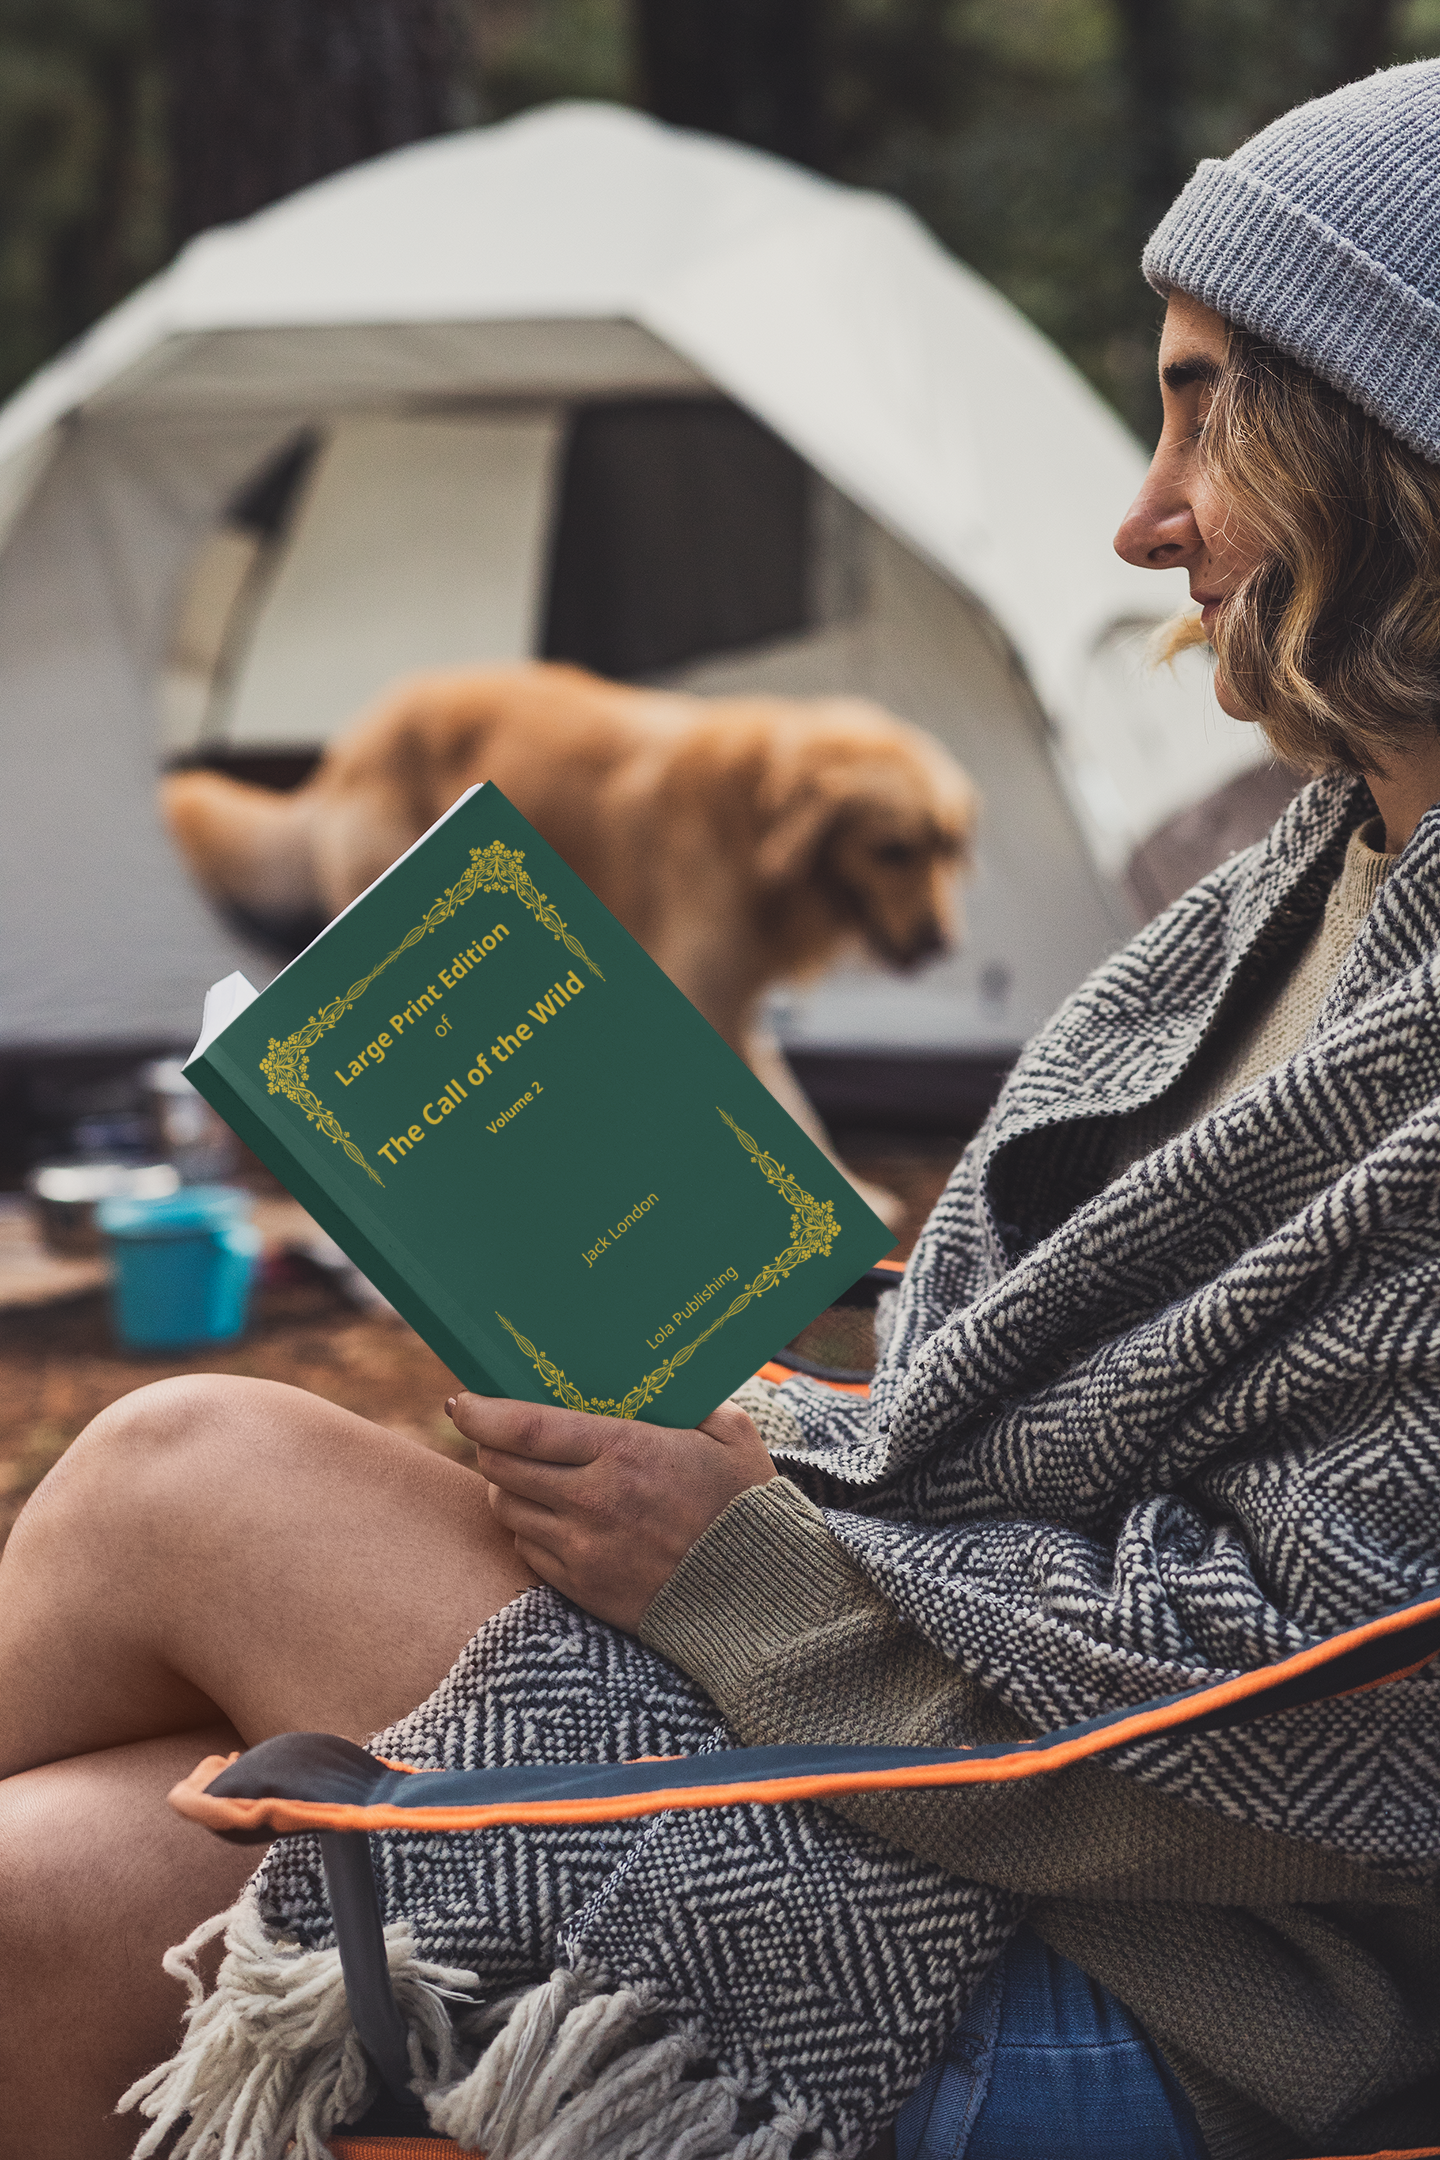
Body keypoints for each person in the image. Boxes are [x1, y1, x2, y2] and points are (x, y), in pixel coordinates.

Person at [4, 57, 1440, 2160]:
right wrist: (782, 1437)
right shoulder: (1291, 896)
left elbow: (1354, 1728)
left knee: (188, 1463)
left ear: (1392, 456)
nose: (1142, 518)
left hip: (1180, 1977)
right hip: (926, 1789)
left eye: (1209, 410)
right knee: (46, 1901)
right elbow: (1012, 1451)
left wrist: (743, 1564)